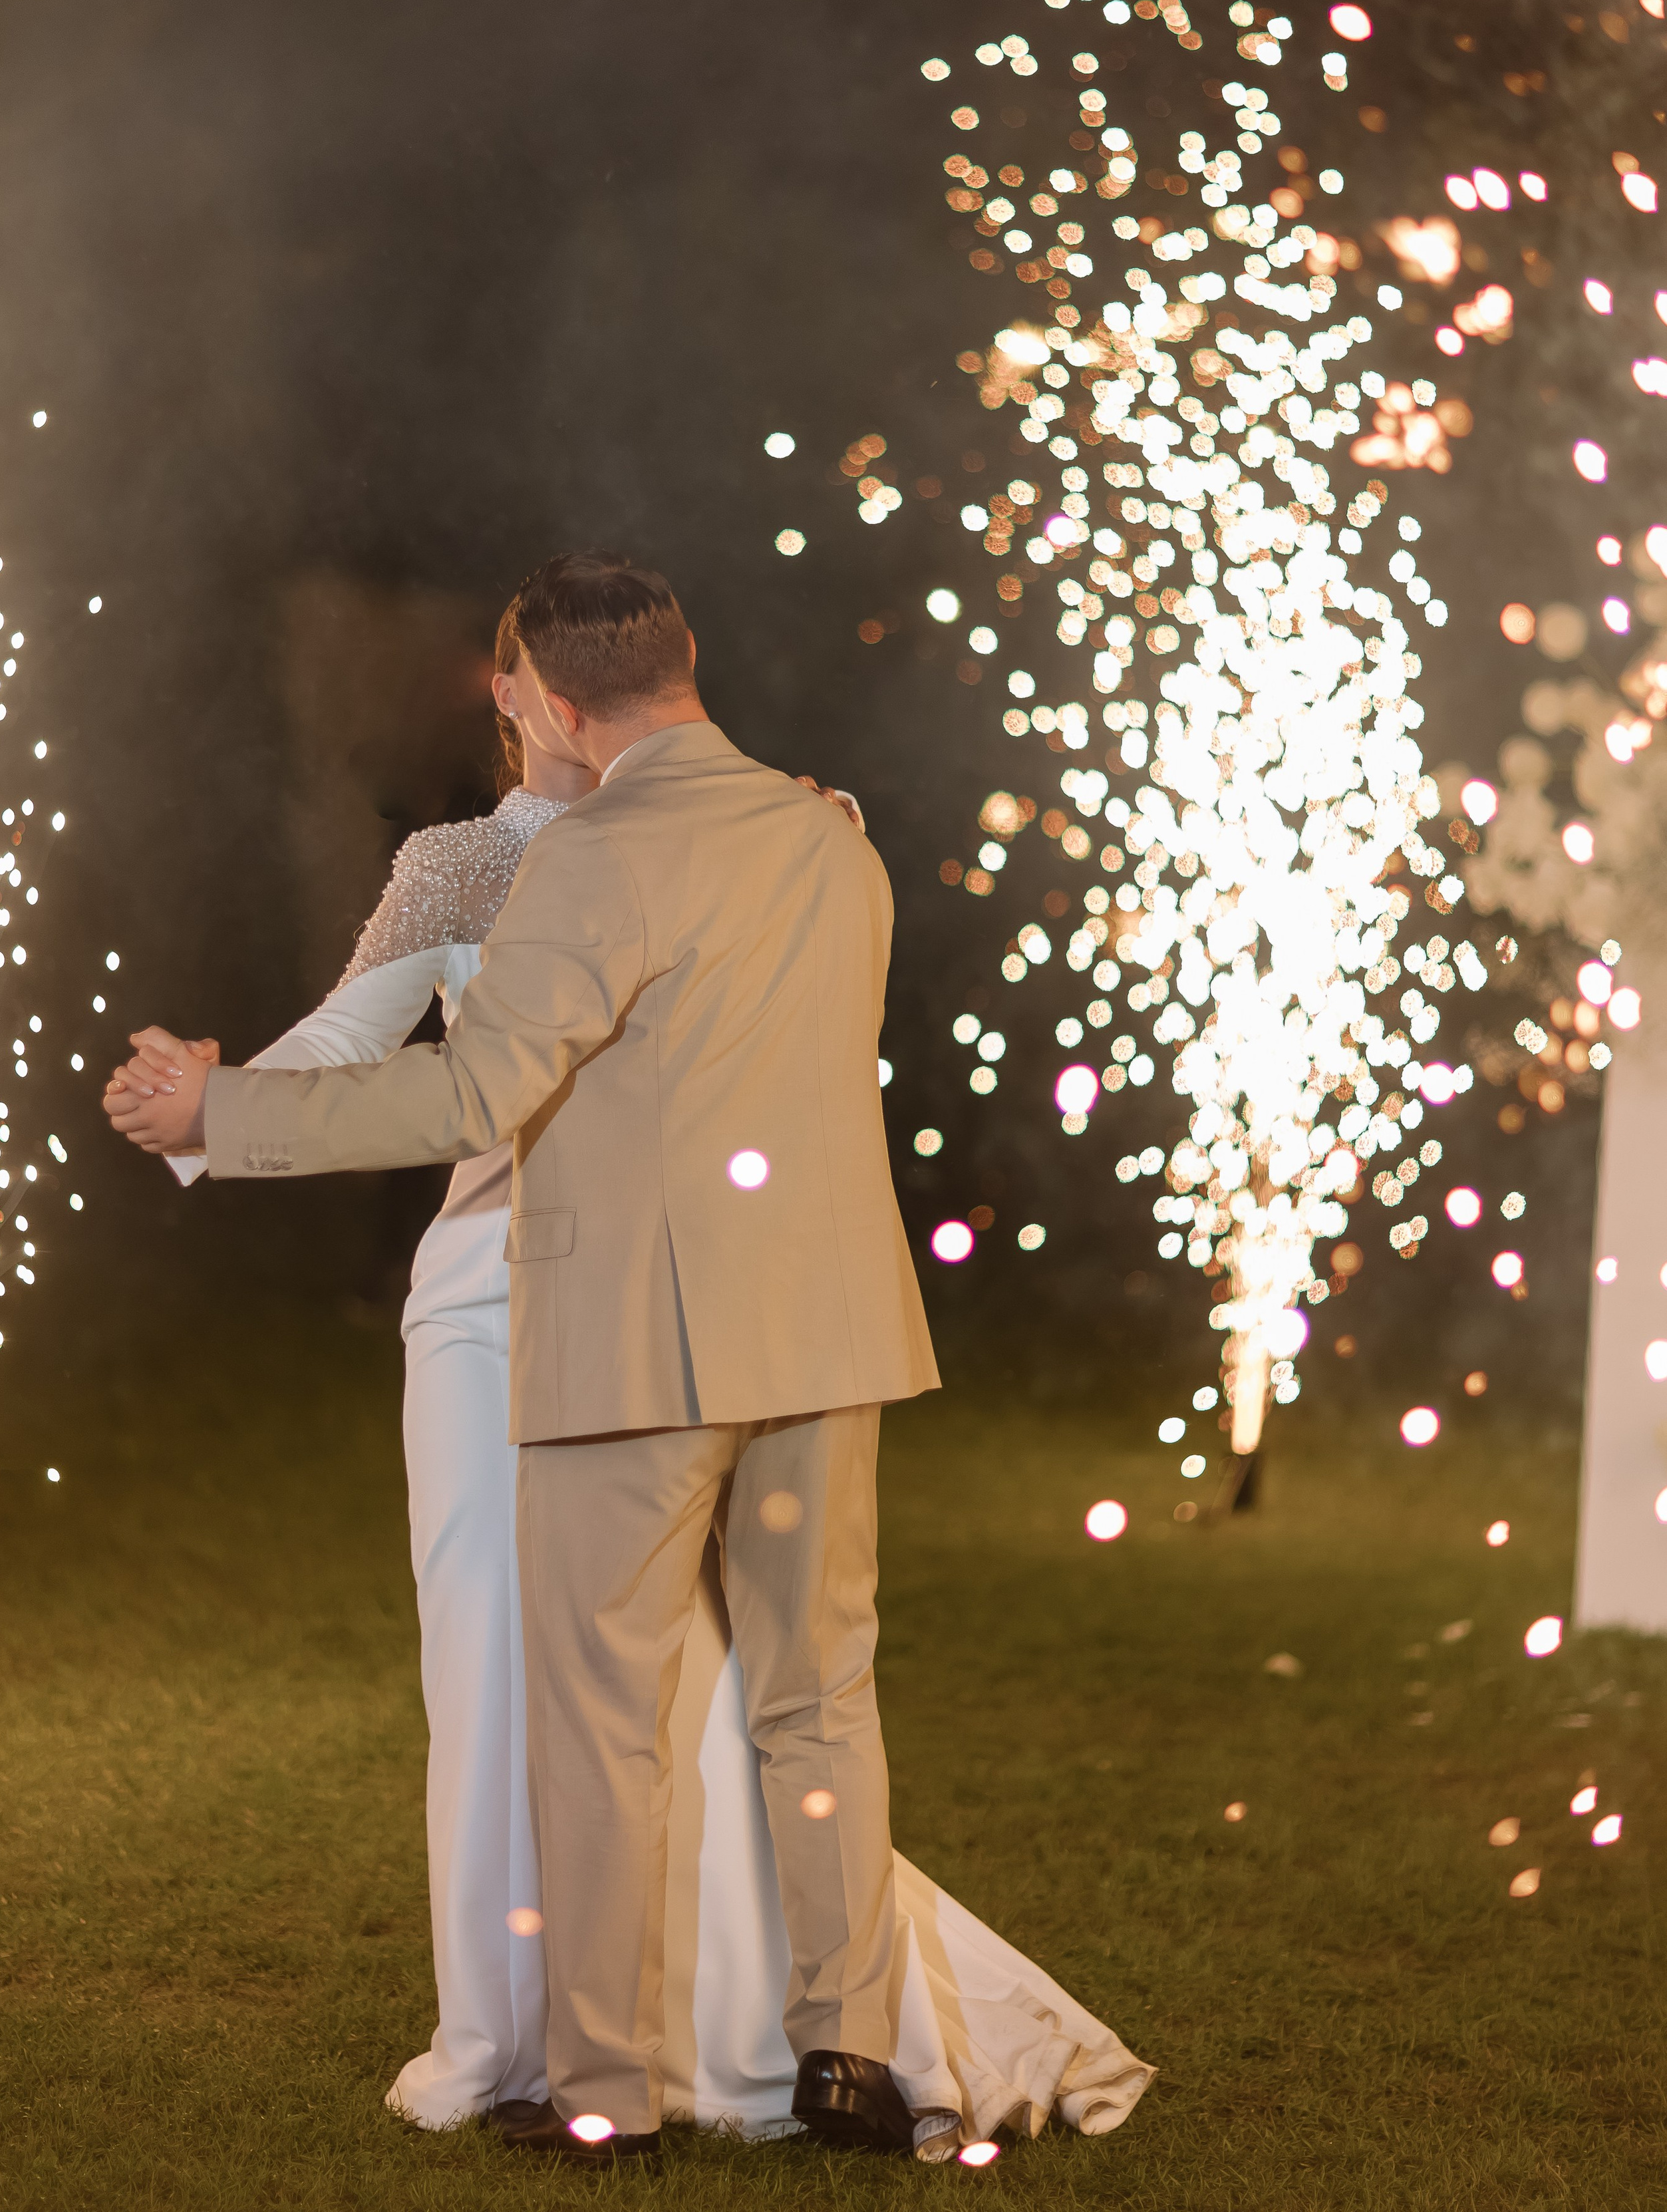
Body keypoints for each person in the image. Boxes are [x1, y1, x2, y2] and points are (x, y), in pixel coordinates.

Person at [107, 552, 1155, 2161]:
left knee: (599, 1714)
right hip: (823, 1328)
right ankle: (843, 2065)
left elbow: (468, 1101)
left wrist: (223, 1113)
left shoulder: (595, 854)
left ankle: (604, 2091)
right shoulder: (834, 842)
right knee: (820, 1703)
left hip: (636, 1336)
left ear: (566, 705)